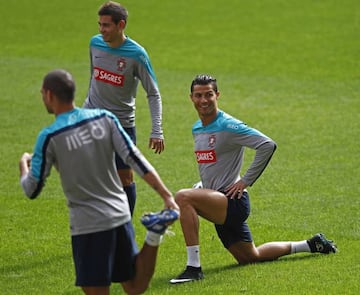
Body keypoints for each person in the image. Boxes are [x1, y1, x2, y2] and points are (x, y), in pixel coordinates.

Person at [19, 69, 179, 295]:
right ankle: (153, 234)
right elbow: (135, 158)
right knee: (134, 286)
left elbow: (31, 189)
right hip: (120, 214)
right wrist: (166, 195)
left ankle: (154, 233)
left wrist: (23, 164)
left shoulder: (50, 136)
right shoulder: (105, 118)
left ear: (49, 95)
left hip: (89, 224)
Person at [169, 74, 337, 284]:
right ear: (191, 98)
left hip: (232, 201)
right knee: (250, 257)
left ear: (217, 95)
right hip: (218, 200)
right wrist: (204, 185)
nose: (204, 100)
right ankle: (311, 244)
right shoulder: (197, 128)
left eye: (208, 95)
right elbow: (214, 162)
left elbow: (267, 145)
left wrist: (245, 180)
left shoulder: (229, 125)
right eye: (198, 95)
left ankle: (193, 269)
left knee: (183, 197)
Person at [83, 1, 165, 215]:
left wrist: (157, 129)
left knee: (125, 177)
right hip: (92, 120)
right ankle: (99, 226)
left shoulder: (136, 54)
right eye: (99, 24)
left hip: (121, 125)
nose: (101, 30)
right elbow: (94, 78)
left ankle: (123, 231)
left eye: (106, 25)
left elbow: (153, 93)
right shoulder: (95, 43)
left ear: (121, 25)